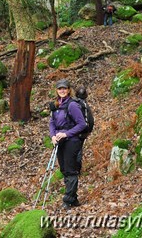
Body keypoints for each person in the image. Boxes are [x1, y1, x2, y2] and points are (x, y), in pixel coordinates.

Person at [49, 79, 86, 209]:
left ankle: (68, 200)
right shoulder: (56, 105)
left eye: (64, 88)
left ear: (69, 89)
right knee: (64, 169)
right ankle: (74, 199)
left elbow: (82, 124)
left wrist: (66, 134)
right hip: (60, 141)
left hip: (72, 141)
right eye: (60, 89)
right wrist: (52, 136)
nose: (62, 91)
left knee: (70, 170)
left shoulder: (72, 105)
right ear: (57, 90)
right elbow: (52, 123)